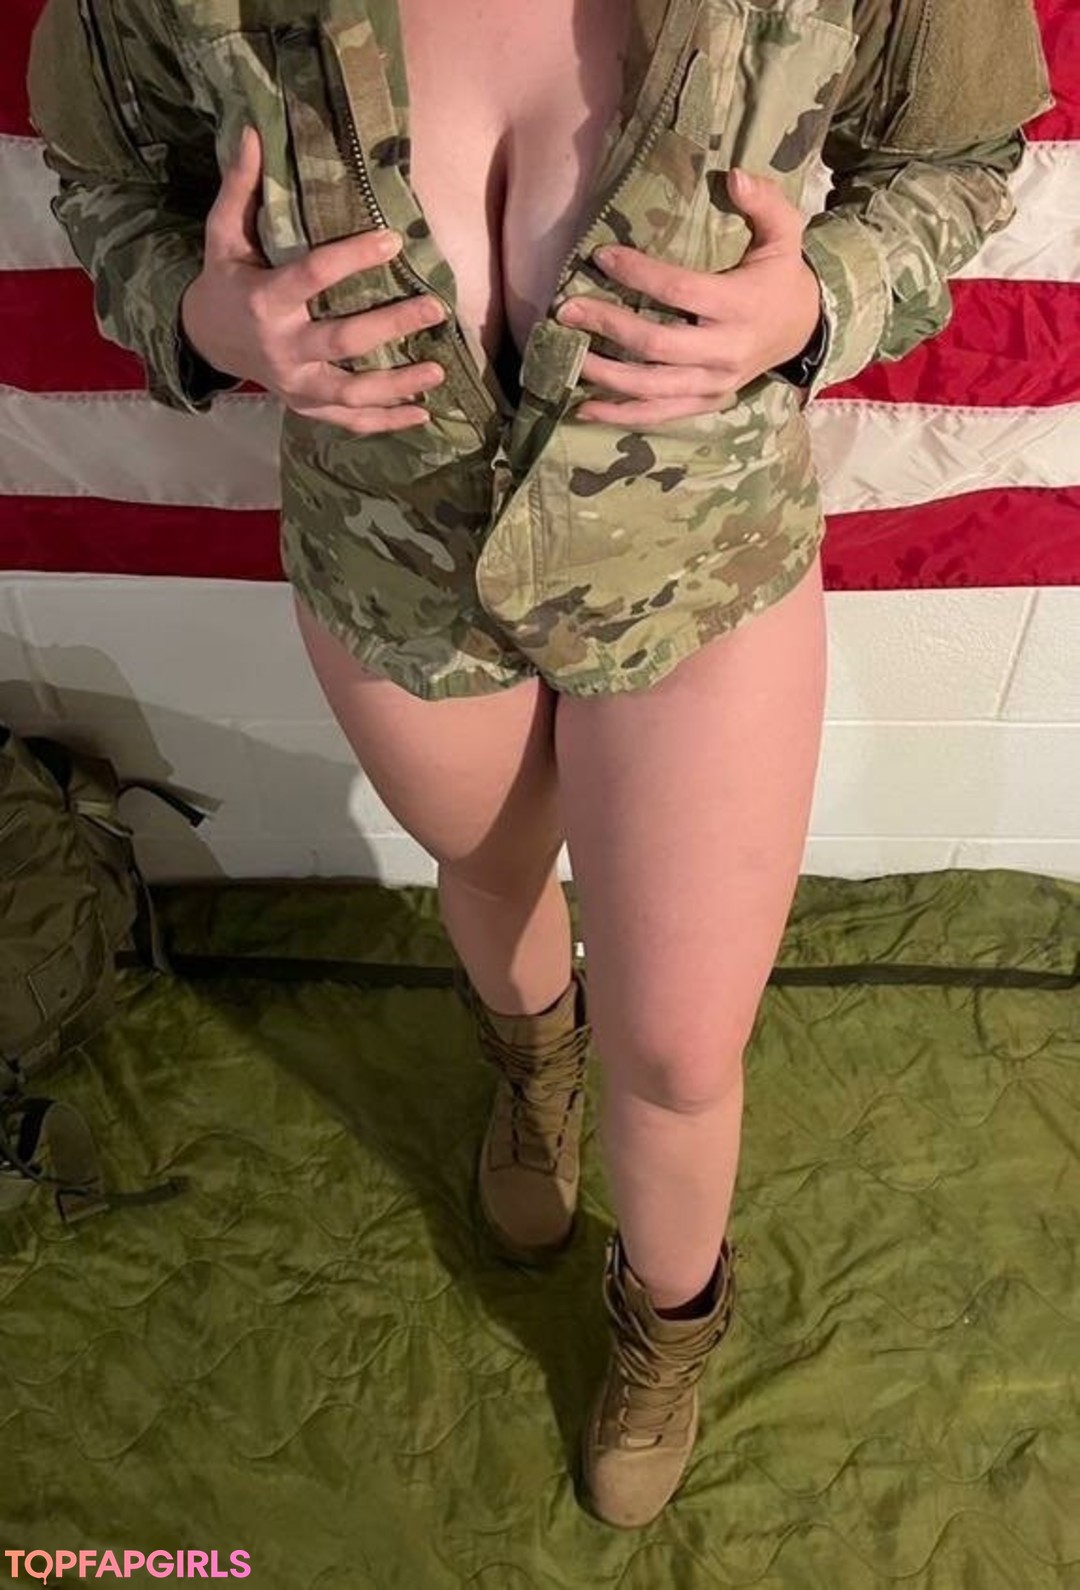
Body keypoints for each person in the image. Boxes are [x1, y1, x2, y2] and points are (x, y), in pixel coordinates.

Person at [27, 0, 1053, 1531]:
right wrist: (204, 319)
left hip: (696, 560)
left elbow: (961, 155)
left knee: (685, 1050)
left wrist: (821, 294)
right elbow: (108, 179)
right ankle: (533, 1068)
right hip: (394, 561)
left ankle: (666, 1324)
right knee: (492, 866)